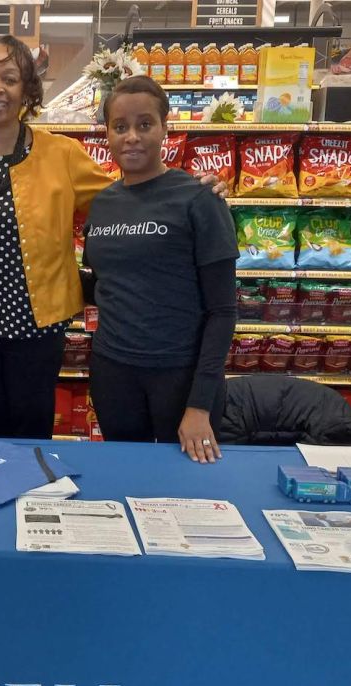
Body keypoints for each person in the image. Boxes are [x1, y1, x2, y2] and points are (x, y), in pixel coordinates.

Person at [0, 36, 227, 439]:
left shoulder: (61, 153)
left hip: (37, 330)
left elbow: (127, 196)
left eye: (10, 78)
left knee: (31, 437)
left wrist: (193, 191)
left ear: (27, 89)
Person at [82, 76, 237, 463]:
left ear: (165, 129)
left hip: (180, 376)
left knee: (187, 495)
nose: (132, 136)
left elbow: (223, 311)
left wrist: (200, 405)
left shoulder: (200, 198)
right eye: (120, 127)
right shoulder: (102, 205)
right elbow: (105, 285)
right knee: (126, 476)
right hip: (113, 372)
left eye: (144, 124)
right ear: (108, 135)